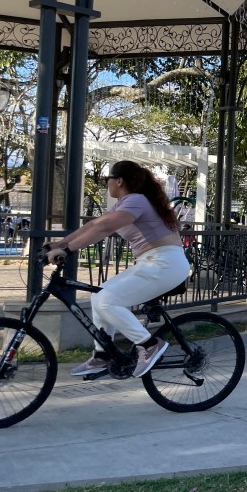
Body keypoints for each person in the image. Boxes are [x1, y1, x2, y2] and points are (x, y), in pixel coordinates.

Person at [44, 160, 189, 378]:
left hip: (165, 263)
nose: (106, 185)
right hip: (153, 263)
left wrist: (68, 250)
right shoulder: (125, 204)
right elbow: (93, 226)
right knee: (99, 295)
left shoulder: (137, 200)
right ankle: (103, 355)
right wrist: (59, 245)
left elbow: (105, 227)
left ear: (119, 181)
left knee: (107, 300)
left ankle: (149, 345)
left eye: (106, 180)